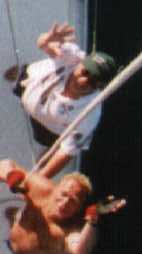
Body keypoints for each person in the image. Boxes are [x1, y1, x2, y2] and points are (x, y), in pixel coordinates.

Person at [0, 148, 125, 254]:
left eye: (73, 201)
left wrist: (93, 217)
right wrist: (11, 176)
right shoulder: (40, 187)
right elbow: (0, 165)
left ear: (79, 208)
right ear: (54, 188)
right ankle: (15, 217)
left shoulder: (70, 230)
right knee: (18, 215)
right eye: (64, 194)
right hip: (15, 237)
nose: (65, 203)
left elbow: (80, 251)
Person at [11, 21, 116, 157]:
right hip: (30, 84)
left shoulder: (90, 114)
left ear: (99, 87)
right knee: (10, 77)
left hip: (49, 126)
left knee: (46, 144)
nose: (83, 81)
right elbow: (43, 44)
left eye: (93, 82)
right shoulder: (74, 57)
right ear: (81, 62)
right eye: (84, 72)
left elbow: (67, 152)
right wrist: (46, 40)